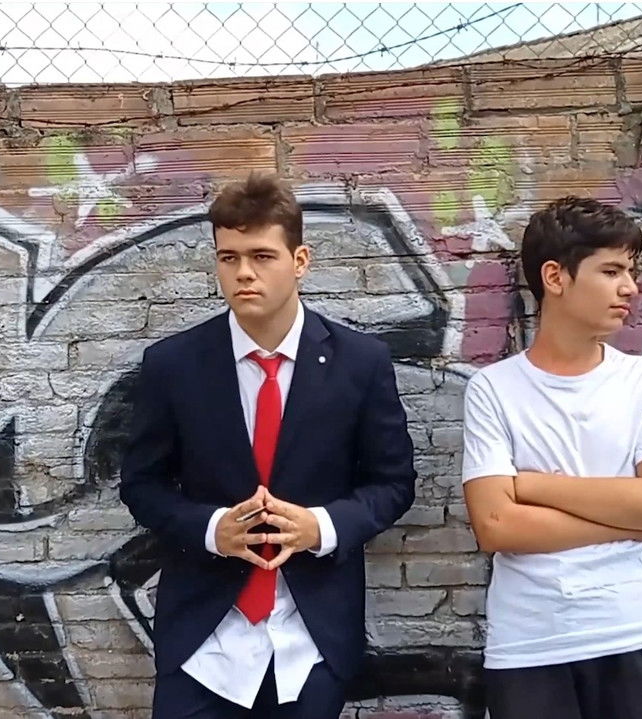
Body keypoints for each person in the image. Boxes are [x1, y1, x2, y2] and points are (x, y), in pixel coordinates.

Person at [120, 171, 417, 718]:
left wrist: (319, 527)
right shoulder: (173, 365)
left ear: (300, 261)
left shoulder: (360, 363)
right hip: (204, 642)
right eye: (228, 258)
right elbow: (142, 485)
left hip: (310, 641)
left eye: (261, 256)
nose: (243, 273)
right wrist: (212, 529)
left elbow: (393, 483)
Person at [461, 196, 642, 718]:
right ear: (555, 277)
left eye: (630, 271)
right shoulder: (493, 390)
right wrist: (637, 529)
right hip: (533, 646)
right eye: (611, 271)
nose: (631, 287)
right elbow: (496, 526)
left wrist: (534, 486)